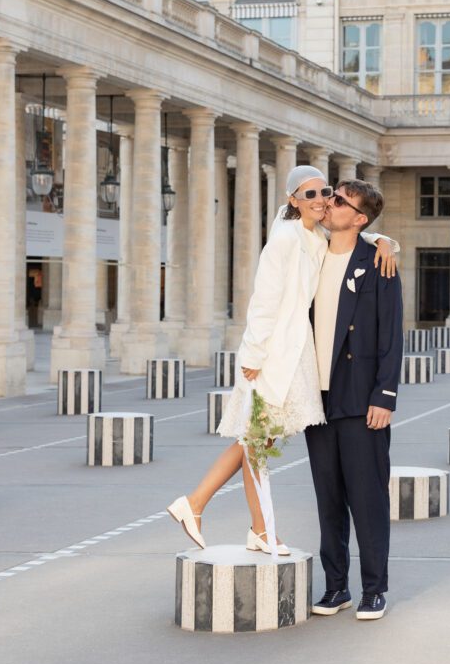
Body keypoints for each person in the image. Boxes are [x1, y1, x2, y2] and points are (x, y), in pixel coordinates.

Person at [166, 165, 397, 554]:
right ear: (293, 200)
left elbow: (354, 234)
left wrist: (385, 241)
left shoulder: (315, 234)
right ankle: (202, 505)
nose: (322, 200)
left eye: (326, 192)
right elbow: (264, 300)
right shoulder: (285, 239)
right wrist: (254, 354)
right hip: (272, 354)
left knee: (258, 441)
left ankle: (244, 523)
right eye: (310, 194)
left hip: (293, 353)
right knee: (256, 438)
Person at [305, 179, 403, 621]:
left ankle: (374, 589)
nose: (329, 203)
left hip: (361, 396)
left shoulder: (378, 261)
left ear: (359, 218)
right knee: (328, 499)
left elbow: (391, 335)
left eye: (340, 200)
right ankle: (336, 587)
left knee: (367, 499)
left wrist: (385, 395)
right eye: (331, 194)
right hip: (316, 395)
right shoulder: (310, 253)